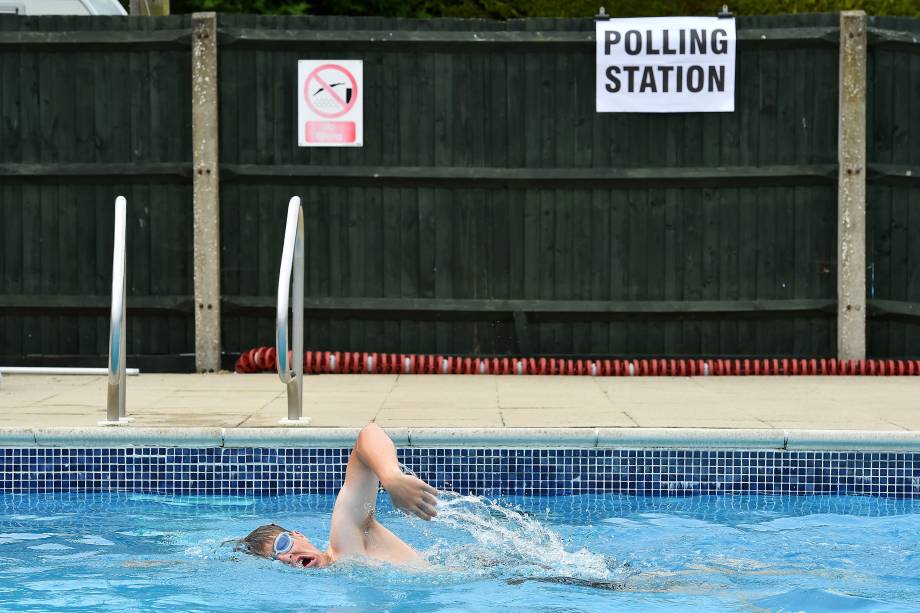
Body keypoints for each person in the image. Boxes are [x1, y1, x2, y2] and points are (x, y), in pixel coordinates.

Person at [241, 423, 438, 568]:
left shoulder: (346, 541)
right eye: (276, 561)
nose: (285, 557)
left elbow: (368, 434)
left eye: (282, 544)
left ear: (299, 535)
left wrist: (392, 478)